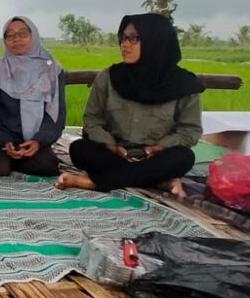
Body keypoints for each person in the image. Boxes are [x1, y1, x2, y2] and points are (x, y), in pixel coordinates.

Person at [57, 13, 202, 195]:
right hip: (115, 154)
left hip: (157, 156)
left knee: (183, 157)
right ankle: (158, 180)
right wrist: (110, 145)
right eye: (123, 38)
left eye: (133, 39)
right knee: (80, 149)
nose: (124, 45)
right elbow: (93, 119)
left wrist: (159, 147)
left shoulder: (184, 83)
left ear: (155, 41)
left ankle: (94, 182)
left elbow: (189, 130)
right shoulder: (109, 77)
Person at [0, 16, 66, 177]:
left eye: (23, 33)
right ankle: (7, 157)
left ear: (33, 35)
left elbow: (56, 113)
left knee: (48, 167)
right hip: (2, 139)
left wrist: (39, 141)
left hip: (34, 140)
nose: (16, 39)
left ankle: (22, 157)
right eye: (10, 35)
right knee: (0, 169)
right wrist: (4, 141)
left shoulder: (52, 70)